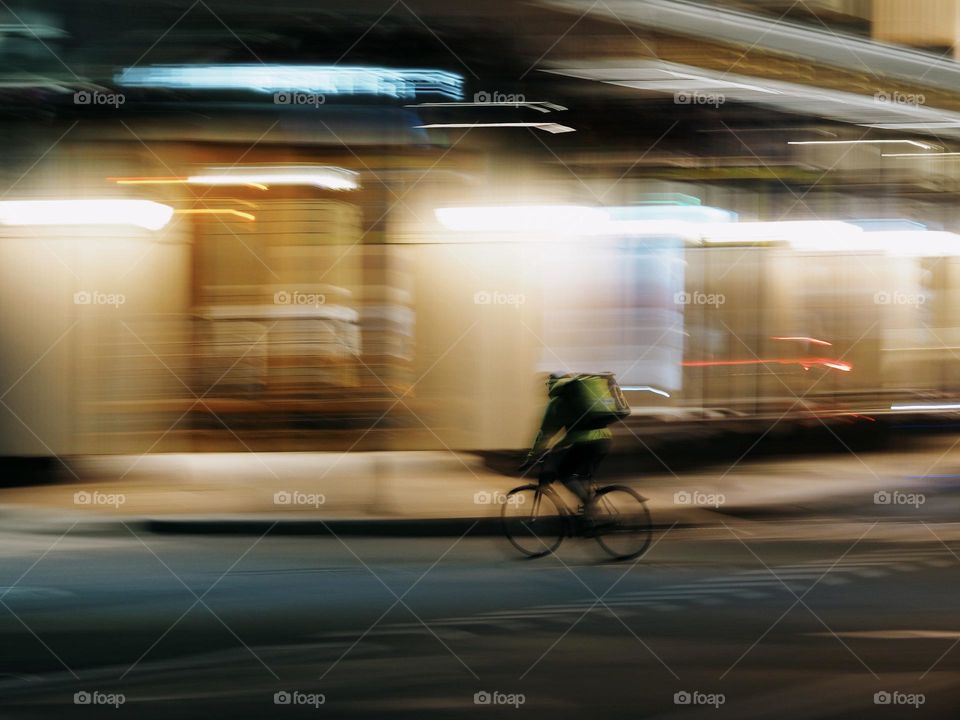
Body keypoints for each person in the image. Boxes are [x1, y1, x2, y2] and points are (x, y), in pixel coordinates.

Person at [521, 372, 620, 509]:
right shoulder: (583, 396)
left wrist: (532, 457)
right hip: (605, 440)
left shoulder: (557, 403)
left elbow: (545, 434)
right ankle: (589, 518)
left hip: (585, 443)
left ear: (552, 386)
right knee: (582, 476)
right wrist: (558, 446)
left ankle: (590, 505)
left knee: (565, 474)